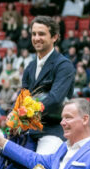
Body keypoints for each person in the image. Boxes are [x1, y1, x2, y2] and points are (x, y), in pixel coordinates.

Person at [22, 15, 75, 154]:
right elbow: (23, 97)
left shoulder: (64, 65)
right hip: (29, 129)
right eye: (34, 34)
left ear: (54, 37)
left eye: (41, 34)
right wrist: (14, 114)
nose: (36, 38)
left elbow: (55, 99)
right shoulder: (30, 67)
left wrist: (26, 112)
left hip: (52, 131)